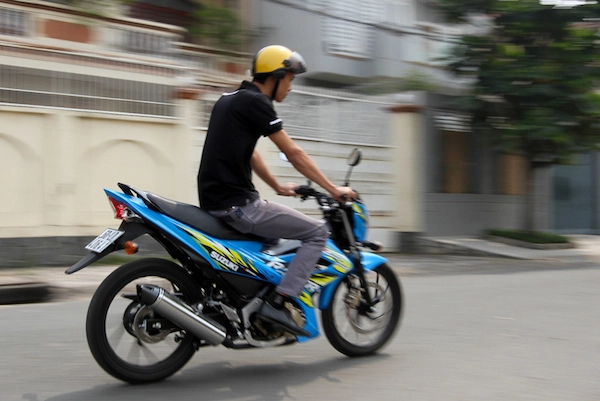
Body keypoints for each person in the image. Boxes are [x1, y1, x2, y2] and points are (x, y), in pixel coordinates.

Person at [197, 45, 355, 337]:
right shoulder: (257, 102)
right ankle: (280, 303)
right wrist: (333, 189)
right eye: (290, 79)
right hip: (239, 206)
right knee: (317, 232)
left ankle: (250, 298)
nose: (291, 87)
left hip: (215, 201)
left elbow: (249, 153)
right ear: (276, 76)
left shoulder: (230, 99)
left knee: (275, 243)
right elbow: (294, 153)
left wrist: (277, 187)